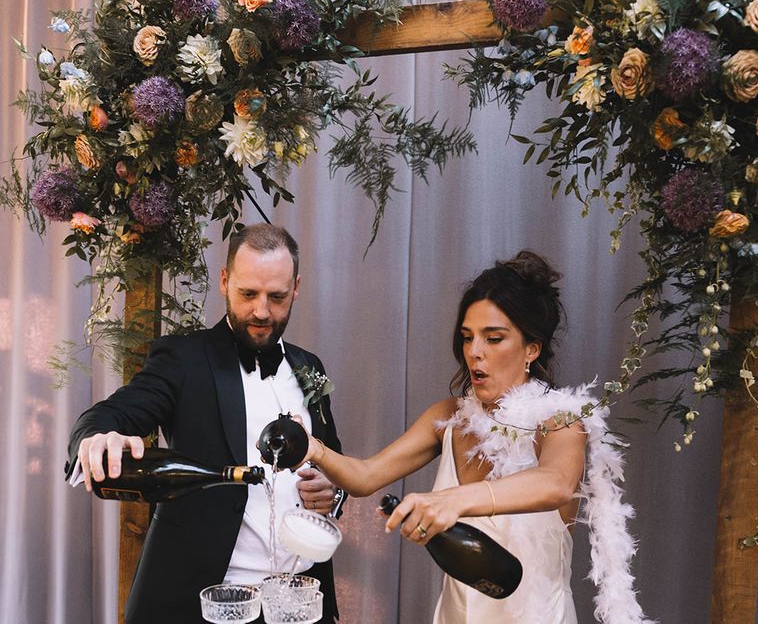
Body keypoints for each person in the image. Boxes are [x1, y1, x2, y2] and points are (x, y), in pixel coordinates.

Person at [299, 251, 651, 623]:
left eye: (493, 338)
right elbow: (365, 477)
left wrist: (453, 501)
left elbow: (557, 483)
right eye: (468, 338)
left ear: (532, 348)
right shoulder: (448, 417)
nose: (475, 352)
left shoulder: (559, 420)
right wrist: (313, 448)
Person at [64, 223, 345, 624]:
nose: (262, 311)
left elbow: (335, 460)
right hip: (205, 605)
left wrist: (331, 491)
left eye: (277, 296)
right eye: (248, 294)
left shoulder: (308, 367)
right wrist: (94, 437)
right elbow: (112, 414)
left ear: (296, 288)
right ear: (225, 281)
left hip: (295, 605)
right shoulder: (184, 360)